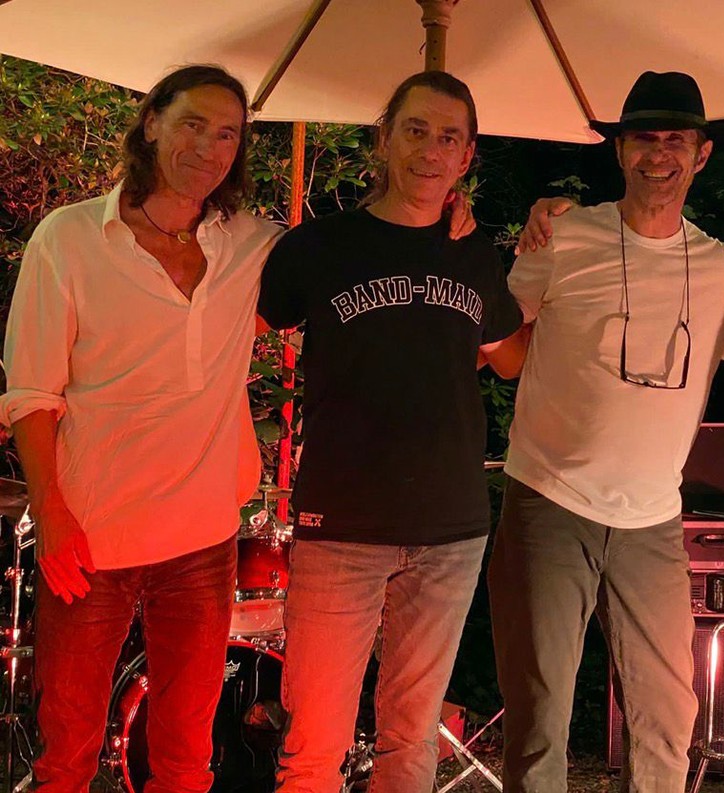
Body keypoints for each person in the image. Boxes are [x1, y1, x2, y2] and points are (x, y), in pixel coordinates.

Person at [0, 65, 282, 792]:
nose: (210, 147)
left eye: (228, 134)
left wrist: (456, 219)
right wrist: (51, 513)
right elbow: (31, 393)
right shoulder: (69, 239)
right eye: (194, 124)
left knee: (186, 760)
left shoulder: (251, 245)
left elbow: (362, 257)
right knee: (66, 755)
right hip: (92, 538)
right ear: (151, 122)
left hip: (203, 542)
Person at [488, 71, 724, 793]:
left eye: (677, 140)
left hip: (653, 517)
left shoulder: (721, 268)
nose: (658, 154)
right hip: (549, 497)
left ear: (702, 154)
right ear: (619, 150)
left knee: (667, 718)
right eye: (643, 138)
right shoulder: (564, 235)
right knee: (539, 715)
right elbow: (501, 345)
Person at [259, 71, 525, 793]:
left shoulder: (473, 251)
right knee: (313, 746)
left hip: (450, 530)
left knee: (411, 743)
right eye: (416, 130)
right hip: (340, 527)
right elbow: (232, 330)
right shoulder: (320, 247)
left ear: (466, 156)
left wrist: (554, 246)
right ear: (384, 138)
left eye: (448, 138)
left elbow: (511, 357)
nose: (430, 151)